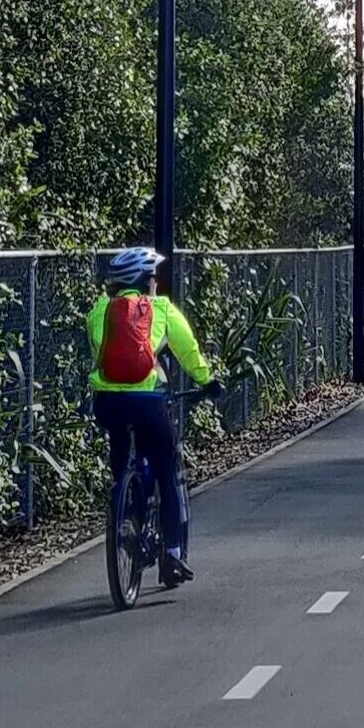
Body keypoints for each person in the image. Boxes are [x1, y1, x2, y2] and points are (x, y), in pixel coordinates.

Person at [87, 247, 221, 587]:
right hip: (147, 400)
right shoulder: (160, 308)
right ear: (143, 280)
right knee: (166, 467)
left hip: (107, 403)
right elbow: (187, 349)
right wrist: (206, 381)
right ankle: (173, 553)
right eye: (152, 277)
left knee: (120, 448)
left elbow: (99, 352)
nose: (155, 283)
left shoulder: (99, 311)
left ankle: (123, 504)